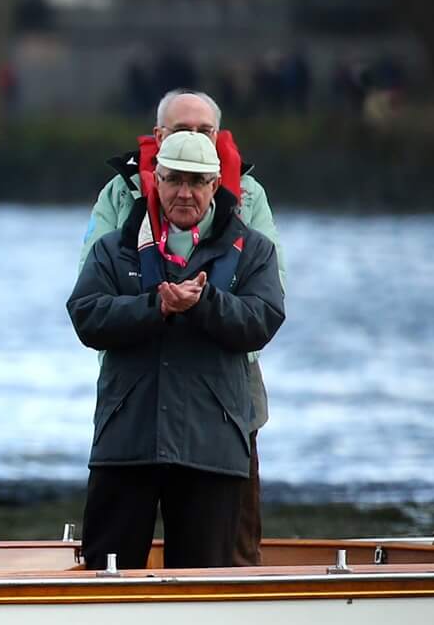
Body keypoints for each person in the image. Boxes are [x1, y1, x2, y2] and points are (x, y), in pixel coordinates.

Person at [81, 87, 283, 563]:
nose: (185, 191)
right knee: (108, 569)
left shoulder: (252, 235)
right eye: (174, 180)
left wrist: (205, 305)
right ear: (156, 176)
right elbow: (87, 307)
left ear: (216, 184)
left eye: (197, 180)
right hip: (130, 425)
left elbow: (267, 311)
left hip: (217, 422)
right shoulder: (116, 233)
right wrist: (156, 307)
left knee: (219, 566)